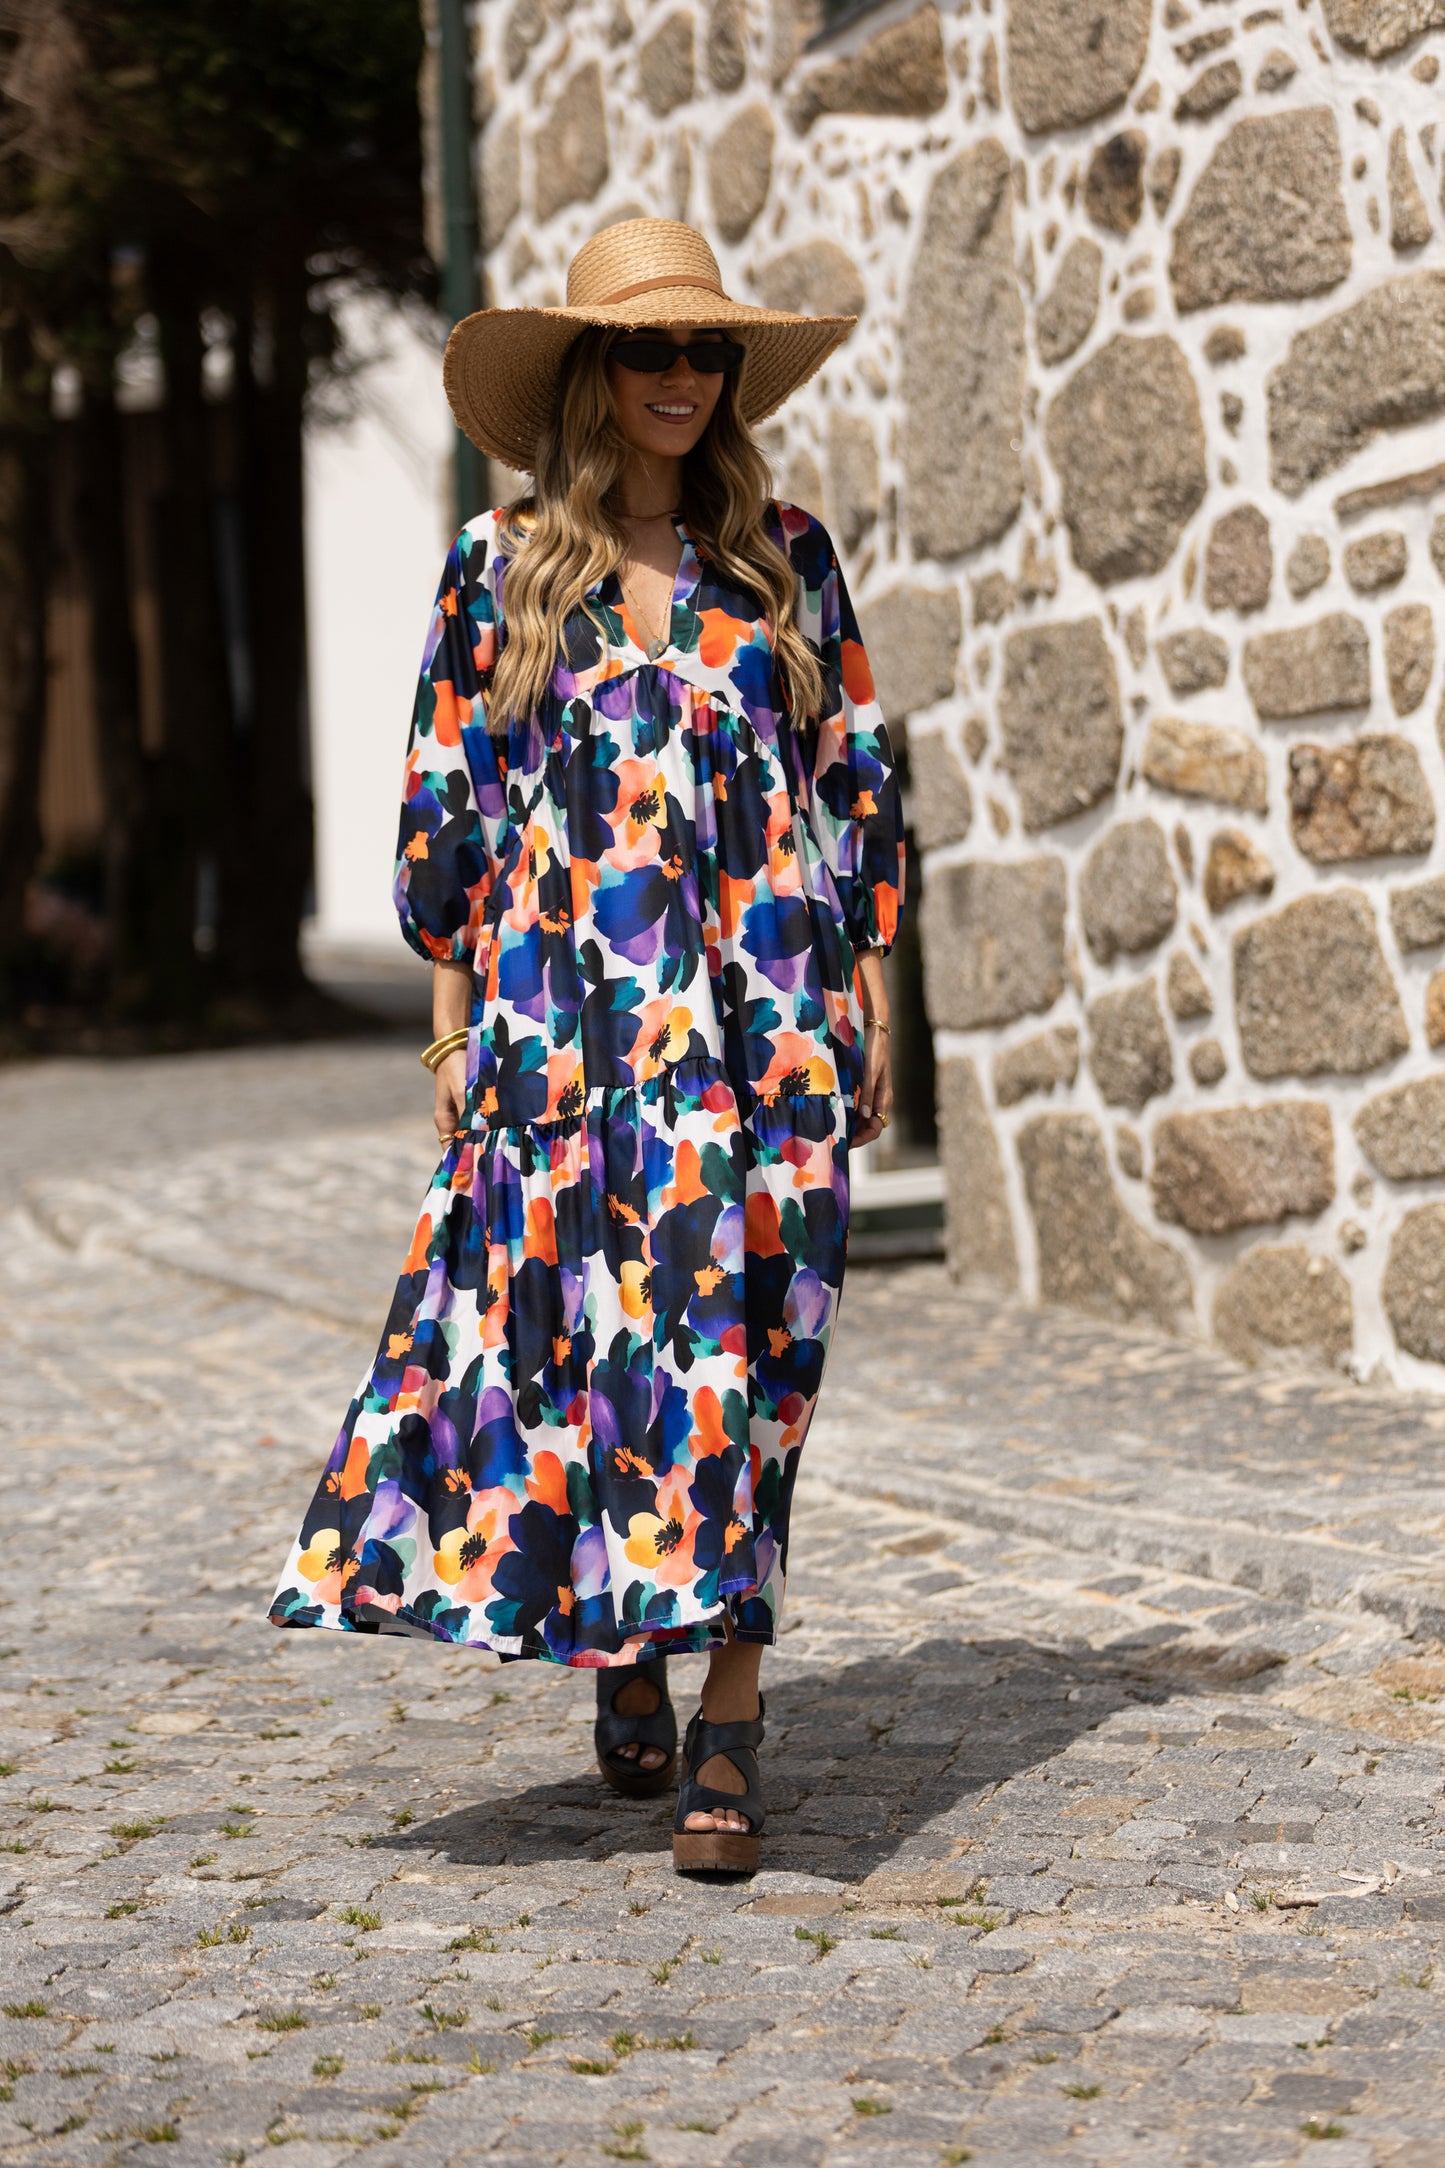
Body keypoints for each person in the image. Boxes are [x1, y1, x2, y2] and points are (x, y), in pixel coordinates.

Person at [269, 219, 904, 1875]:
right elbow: (449, 820)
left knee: (758, 1361)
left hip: (770, 1026)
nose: (680, 377)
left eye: (705, 351)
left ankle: (731, 1715)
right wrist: (450, 1045)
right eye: (646, 350)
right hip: (571, 1036)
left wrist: (870, 995)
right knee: (607, 1353)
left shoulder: (785, 559)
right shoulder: (499, 570)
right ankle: (632, 1641)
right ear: (589, 373)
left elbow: (853, 785)